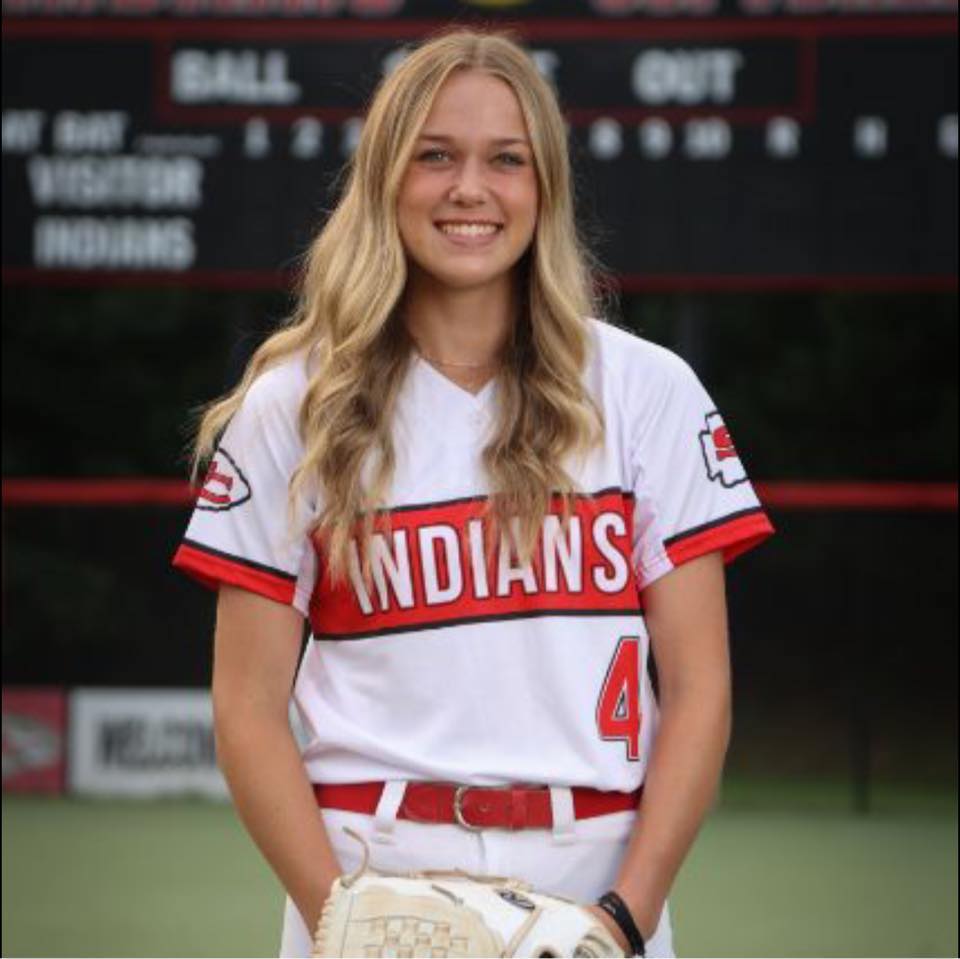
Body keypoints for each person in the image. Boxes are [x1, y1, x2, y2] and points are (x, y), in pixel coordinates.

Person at [173, 29, 773, 958]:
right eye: (435, 156)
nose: (469, 189)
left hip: (596, 872)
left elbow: (700, 689)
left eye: (506, 160)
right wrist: (343, 922)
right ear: (384, 178)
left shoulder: (647, 390)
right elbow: (245, 711)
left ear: (546, 187)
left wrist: (625, 917)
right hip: (370, 866)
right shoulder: (295, 405)